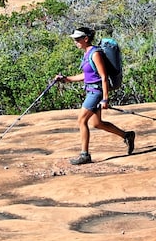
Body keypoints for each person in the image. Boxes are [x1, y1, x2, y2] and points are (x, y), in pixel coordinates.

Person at [55, 27, 135, 164]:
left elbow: (103, 77)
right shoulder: (86, 53)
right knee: (97, 123)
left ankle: (84, 155)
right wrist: (66, 79)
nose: (75, 42)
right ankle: (127, 135)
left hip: (96, 93)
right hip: (91, 91)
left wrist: (105, 98)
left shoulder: (95, 54)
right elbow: (87, 75)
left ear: (86, 39)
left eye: (77, 39)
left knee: (81, 121)